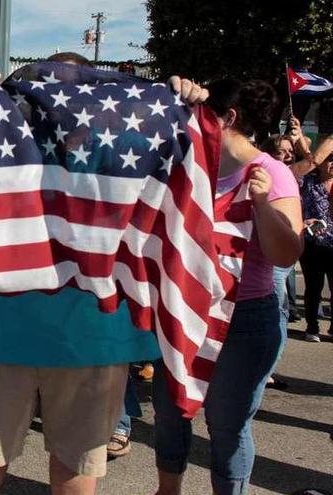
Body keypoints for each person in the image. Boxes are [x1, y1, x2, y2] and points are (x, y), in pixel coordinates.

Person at [0, 52, 202, 495]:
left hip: (92, 334)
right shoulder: (17, 132)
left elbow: (203, 172)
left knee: (77, 460)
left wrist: (188, 108)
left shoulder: (135, 143)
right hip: (10, 326)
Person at [152, 78, 303, 495]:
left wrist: (261, 206)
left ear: (228, 118)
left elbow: (287, 253)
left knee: (227, 424)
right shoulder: (190, 163)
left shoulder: (271, 174)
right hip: (183, 308)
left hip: (246, 317)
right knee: (169, 412)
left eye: (202, 115)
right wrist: (173, 93)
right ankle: (168, 490)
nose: (192, 122)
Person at [299, 154, 333, 342]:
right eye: (330, 159)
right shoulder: (308, 182)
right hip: (313, 244)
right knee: (314, 287)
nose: (332, 164)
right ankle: (312, 326)